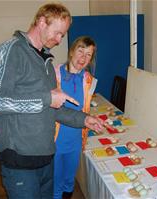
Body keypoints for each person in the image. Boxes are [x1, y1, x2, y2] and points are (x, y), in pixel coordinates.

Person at [0, 3, 104, 199]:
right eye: (57, 33)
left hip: (46, 158)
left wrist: (83, 119)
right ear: (41, 22)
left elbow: (52, 109)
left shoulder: (46, 62)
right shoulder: (9, 51)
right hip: (19, 161)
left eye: (62, 35)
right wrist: (47, 98)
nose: (59, 40)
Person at [53, 36, 97, 199]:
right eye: (81, 51)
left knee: (69, 181)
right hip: (55, 140)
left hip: (76, 140)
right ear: (71, 52)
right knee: (55, 183)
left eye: (88, 55)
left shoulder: (89, 80)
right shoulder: (54, 75)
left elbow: (84, 109)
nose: (83, 58)